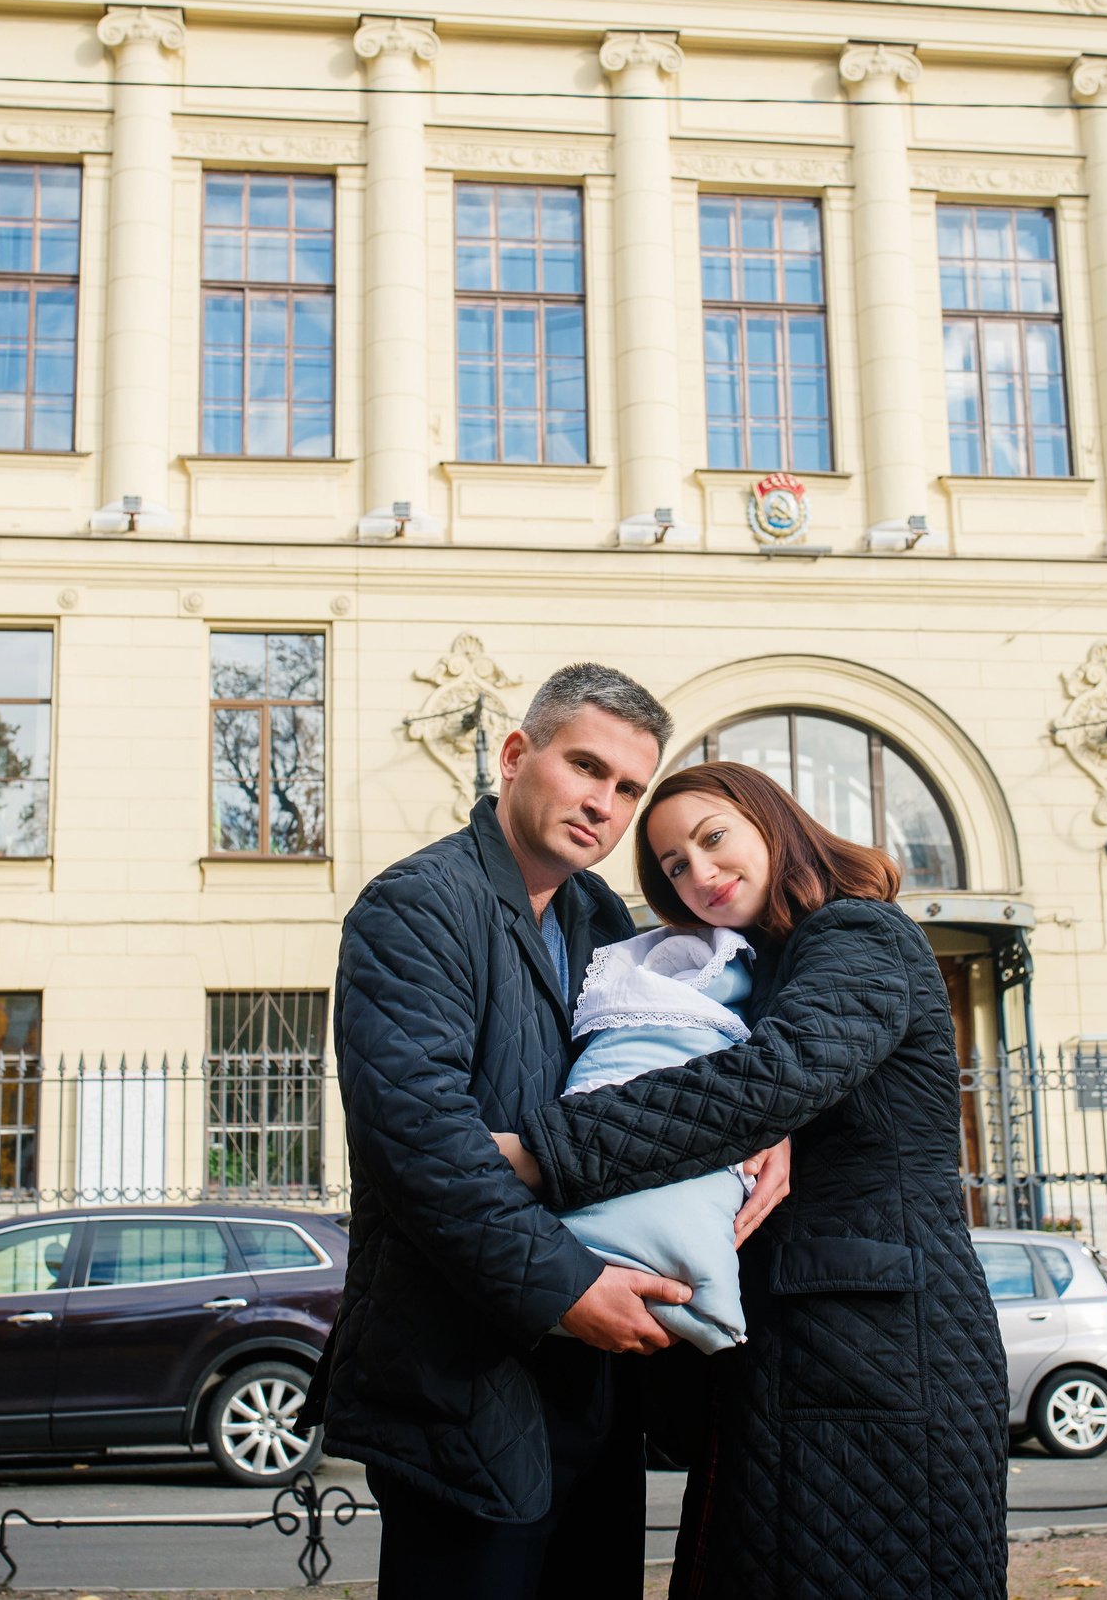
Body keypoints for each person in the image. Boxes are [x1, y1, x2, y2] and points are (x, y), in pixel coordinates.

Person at [322, 664, 788, 1600]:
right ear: (514, 754)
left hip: (597, 1383)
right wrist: (571, 1286)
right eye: (587, 767)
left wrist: (771, 1126)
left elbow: (669, 1063)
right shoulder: (416, 906)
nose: (604, 804)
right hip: (464, 1379)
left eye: (627, 789)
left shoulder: (602, 919)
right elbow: (420, 1146)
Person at [500, 760, 1010, 1600]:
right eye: (672, 865)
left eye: (712, 838)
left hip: (875, 1354)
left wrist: (541, 1150)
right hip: (810, 1353)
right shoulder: (771, 965)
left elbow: (771, 1078)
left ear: (771, 821)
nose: (699, 873)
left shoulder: (859, 933)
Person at [551, 924, 760, 1353]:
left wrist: (776, 1122)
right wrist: (556, 1285)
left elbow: (803, 1067)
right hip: (535, 1295)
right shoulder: (603, 928)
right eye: (675, 866)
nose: (704, 877)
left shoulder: (597, 915)